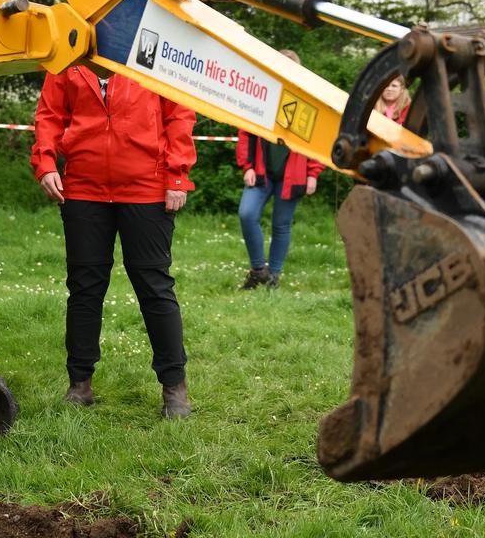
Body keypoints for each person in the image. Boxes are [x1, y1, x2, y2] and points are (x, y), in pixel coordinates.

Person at [31, 65, 197, 419]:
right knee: (84, 286)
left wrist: (177, 175)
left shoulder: (150, 56)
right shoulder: (66, 59)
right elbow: (49, 114)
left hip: (146, 189)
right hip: (83, 190)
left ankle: (174, 388)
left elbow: (180, 114)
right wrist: (45, 162)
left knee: (154, 284)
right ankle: (79, 384)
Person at [237, 50, 324, 290]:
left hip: (292, 176)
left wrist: (313, 173)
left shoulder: (308, 98)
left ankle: (273, 276)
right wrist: (248, 166)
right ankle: (258, 270)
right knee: (247, 214)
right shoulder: (261, 94)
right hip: (261, 172)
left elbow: (317, 140)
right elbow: (245, 131)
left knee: (281, 225)